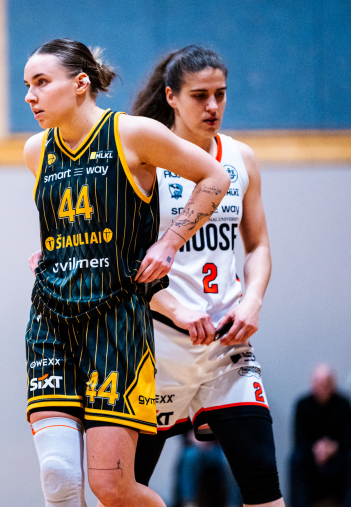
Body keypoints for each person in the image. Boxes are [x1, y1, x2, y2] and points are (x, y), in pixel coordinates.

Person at [23, 39, 230, 507]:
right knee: (58, 476)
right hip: (51, 321)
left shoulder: (132, 134)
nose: (31, 96)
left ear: (80, 84)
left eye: (41, 82)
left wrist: (169, 242)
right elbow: (69, 226)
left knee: (111, 487)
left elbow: (215, 177)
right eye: (27, 86)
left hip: (116, 326)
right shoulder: (36, 150)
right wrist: (51, 254)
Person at [127, 45, 284, 507]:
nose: (213, 105)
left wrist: (252, 301)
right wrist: (175, 307)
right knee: (124, 491)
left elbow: (258, 246)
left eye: (221, 94)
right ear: (171, 97)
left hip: (225, 345)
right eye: (200, 95)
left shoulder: (241, 158)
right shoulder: (144, 161)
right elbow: (124, 261)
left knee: (263, 486)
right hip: (158, 347)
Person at [290, 365, 351, 507]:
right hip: (311, 459)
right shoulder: (302, 405)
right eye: (319, 382)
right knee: (296, 459)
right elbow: (299, 439)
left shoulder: (344, 404)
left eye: (327, 382)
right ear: (313, 383)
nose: (323, 387)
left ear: (333, 383)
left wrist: (332, 448)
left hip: (338, 458)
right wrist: (317, 450)